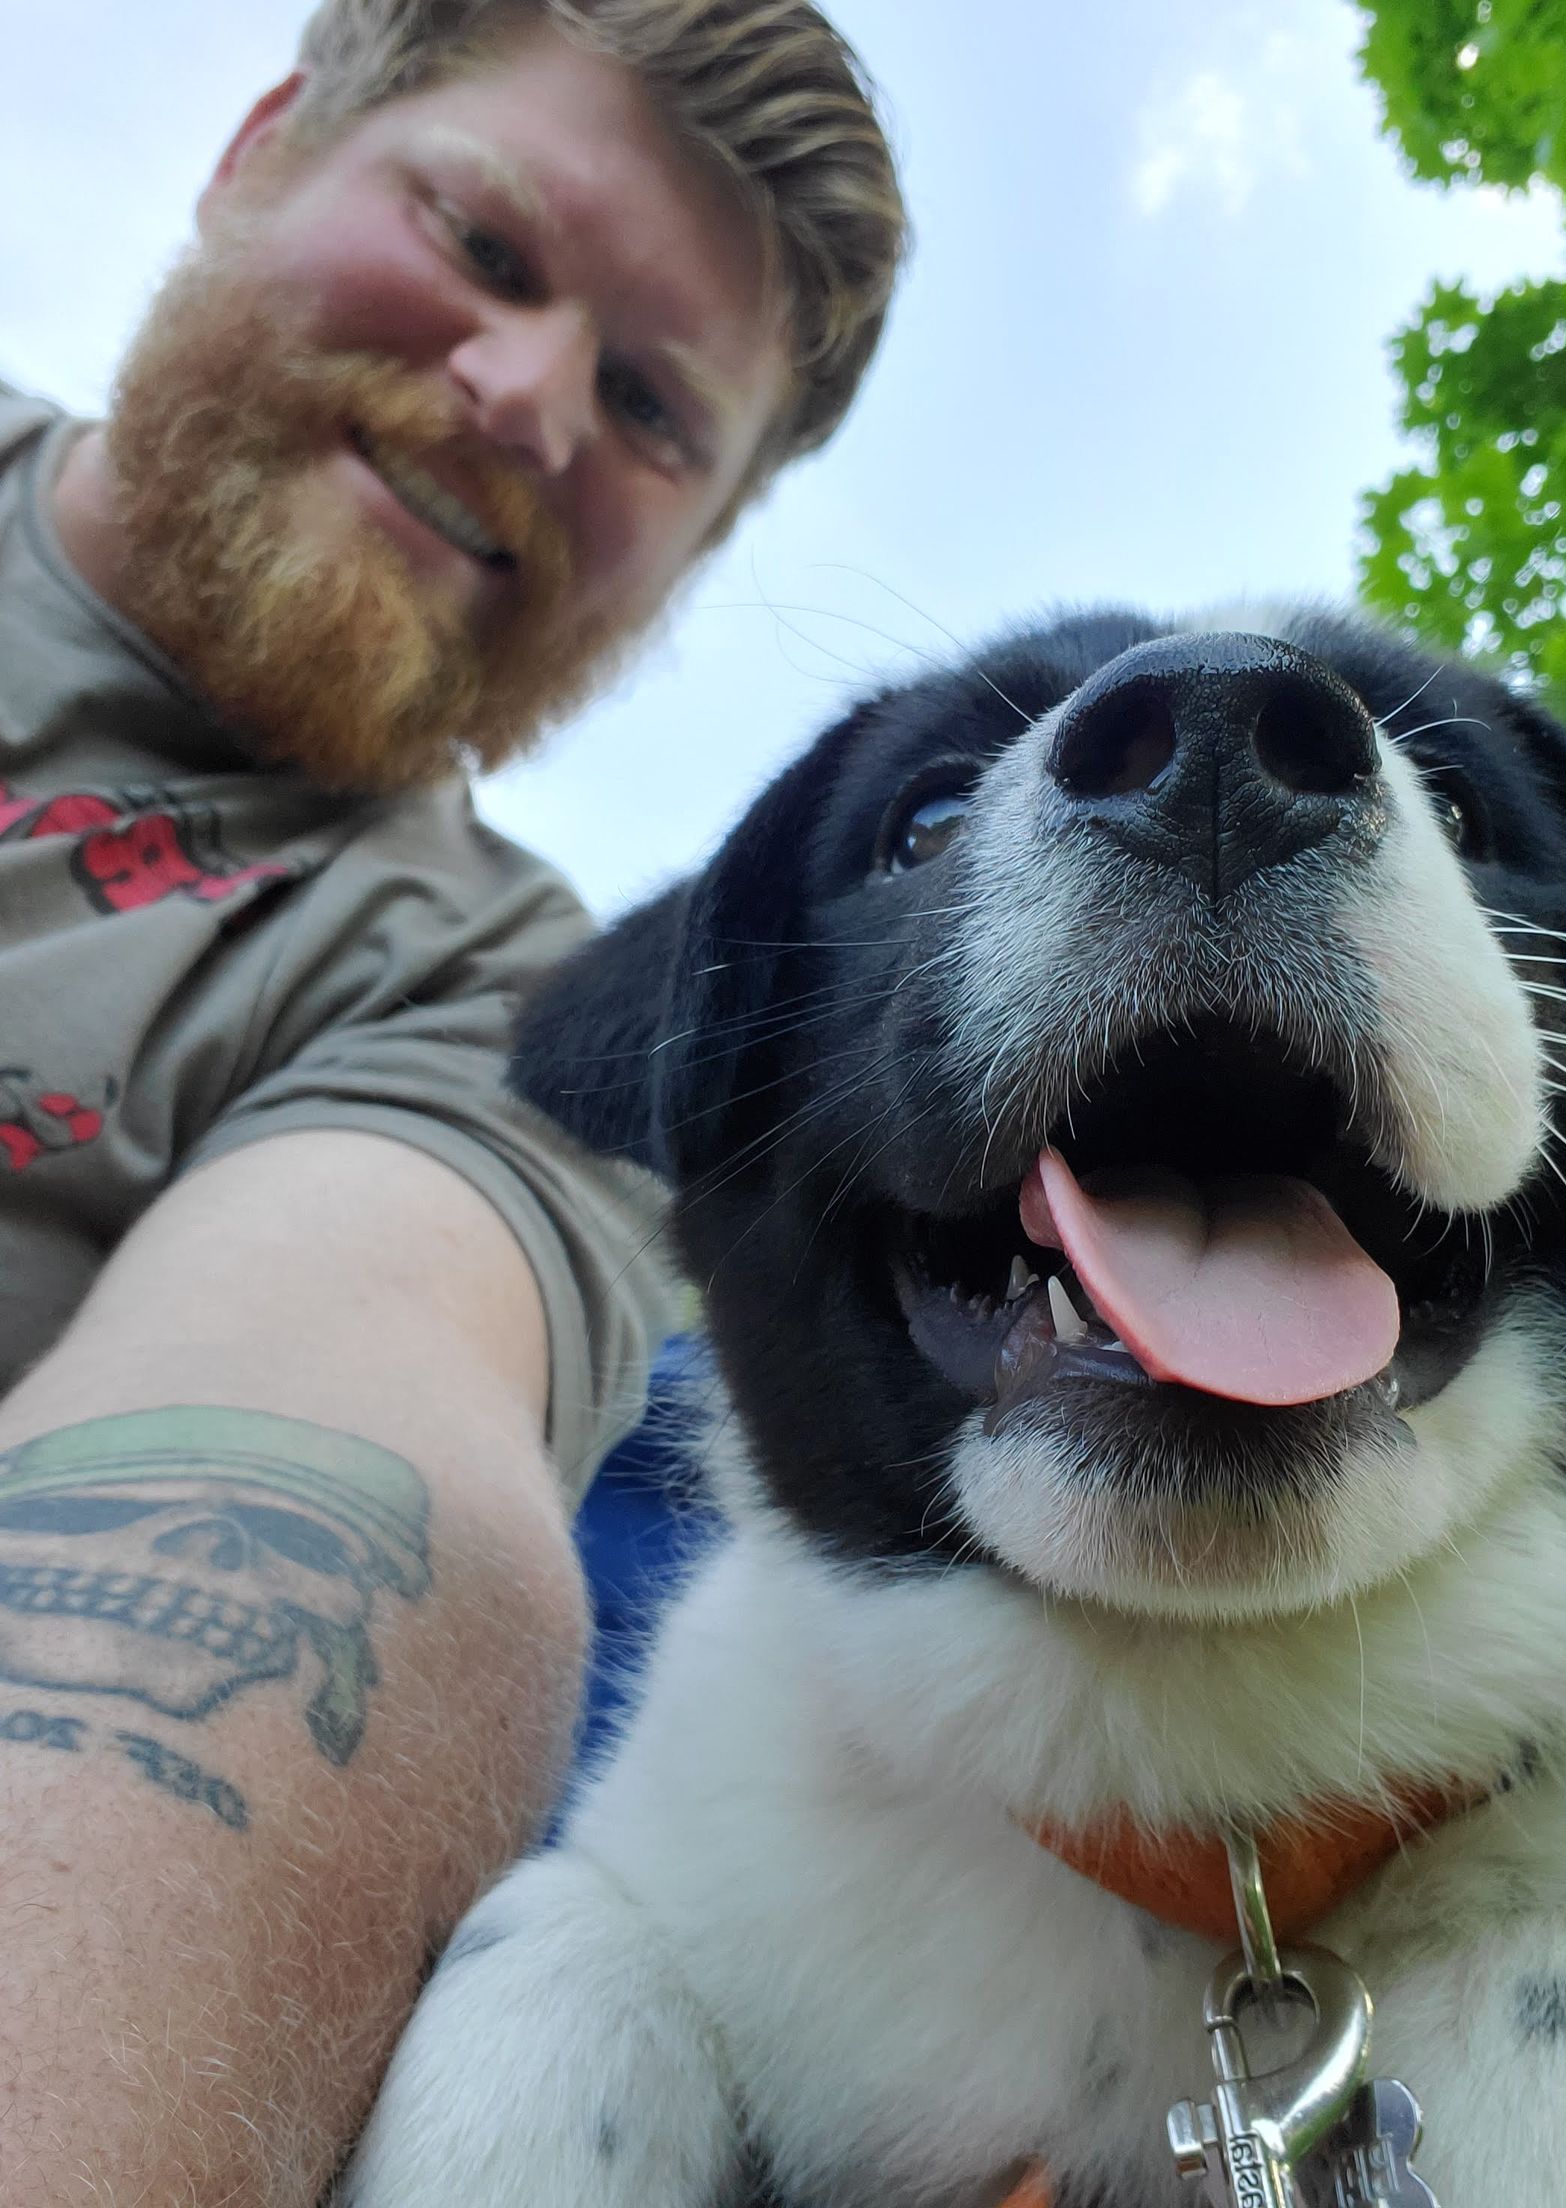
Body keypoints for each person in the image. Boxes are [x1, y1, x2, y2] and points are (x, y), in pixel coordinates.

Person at [0, 2, 905, 2199]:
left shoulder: (504, 1006)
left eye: (651, 408)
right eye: (487, 243)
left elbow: (358, 1443)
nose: (522, 398)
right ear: (259, 148)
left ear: (681, 576)